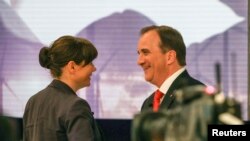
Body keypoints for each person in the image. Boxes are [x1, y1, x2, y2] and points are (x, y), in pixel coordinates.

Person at [23, 35, 105, 141]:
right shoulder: (76, 105)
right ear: (72, 66)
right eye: (90, 63)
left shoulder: (33, 101)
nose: (94, 68)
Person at [137, 25, 204, 112]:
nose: (139, 61)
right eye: (139, 53)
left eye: (146, 52)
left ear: (170, 57)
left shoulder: (196, 96)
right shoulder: (148, 103)